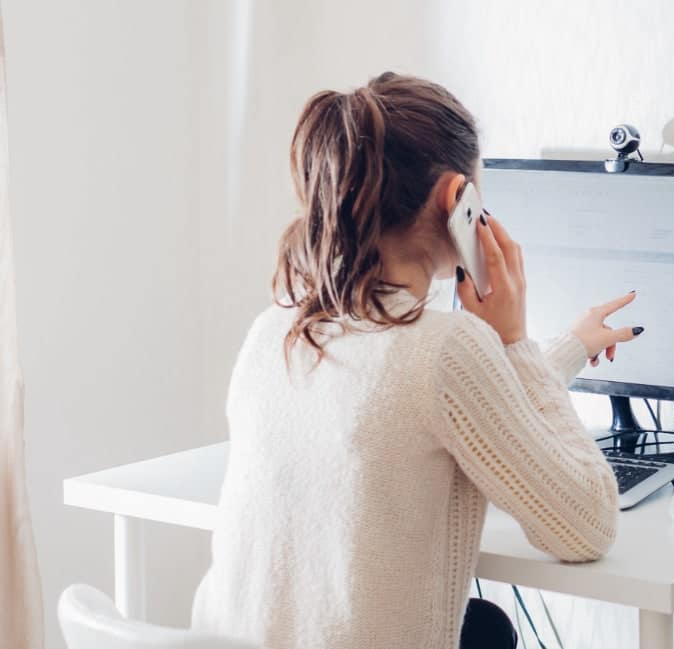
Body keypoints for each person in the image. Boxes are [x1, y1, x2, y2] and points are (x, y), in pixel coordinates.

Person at [189, 71, 642, 649]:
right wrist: (513, 343)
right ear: (459, 198)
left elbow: (443, 408)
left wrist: (568, 347)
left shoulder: (273, 331)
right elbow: (589, 525)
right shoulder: (448, 348)